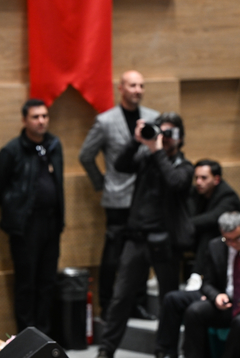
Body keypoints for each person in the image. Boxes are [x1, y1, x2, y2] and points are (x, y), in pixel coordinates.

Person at [97, 112, 194, 358]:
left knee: (168, 300)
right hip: (136, 238)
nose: (165, 138)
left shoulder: (184, 167)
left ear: (181, 137)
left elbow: (175, 182)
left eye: (170, 133)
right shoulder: (146, 159)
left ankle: (164, 351)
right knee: (121, 297)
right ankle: (106, 350)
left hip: (166, 242)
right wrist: (136, 140)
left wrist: (157, 151)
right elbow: (120, 165)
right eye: (162, 132)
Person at [79, 70, 159, 317]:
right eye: (132, 85)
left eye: (141, 86)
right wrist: (102, 183)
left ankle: (138, 304)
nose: (138, 90)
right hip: (117, 198)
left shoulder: (153, 118)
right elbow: (86, 155)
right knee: (113, 255)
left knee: (142, 254)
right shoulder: (105, 121)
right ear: (121, 88)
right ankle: (107, 304)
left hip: (144, 197)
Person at [155, 211, 240, 358]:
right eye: (228, 239)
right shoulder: (216, 246)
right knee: (194, 311)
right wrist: (216, 296)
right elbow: (207, 283)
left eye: (237, 238)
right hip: (227, 302)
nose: (233, 244)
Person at [0, 99, 64, 334]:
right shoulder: (11, 150)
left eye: (44, 116)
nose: (41, 121)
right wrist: (16, 208)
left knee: (47, 281)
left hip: (51, 223)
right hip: (25, 225)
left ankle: (44, 335)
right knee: (26, 283)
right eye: (35, 117)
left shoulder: (54, 145)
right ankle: (27, 336)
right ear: (24, 120)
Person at [184, 160, 240, 290]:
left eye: (203, 178)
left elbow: (214, 218)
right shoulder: (195, 192)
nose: (198, 182)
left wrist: (183, 225)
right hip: (195, 236)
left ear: (216, 179)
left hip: (227, 239)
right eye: (196, 178)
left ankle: (196, 275)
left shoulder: (227, 195)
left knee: (209, 232)